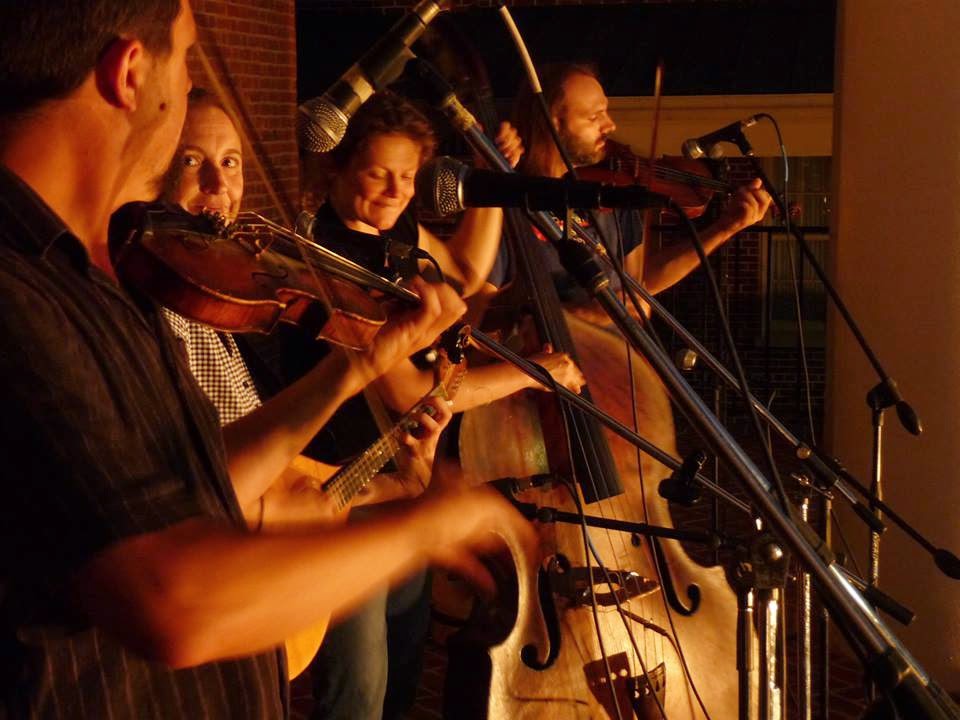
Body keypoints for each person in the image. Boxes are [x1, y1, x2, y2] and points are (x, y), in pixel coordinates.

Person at [0, 3, 536, 718]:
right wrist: (422, 529)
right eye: (186, 61)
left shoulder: (99, 270)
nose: (186, 87)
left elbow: (203, 485)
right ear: (130, 74)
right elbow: (171, 603)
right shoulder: (21, 290)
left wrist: (353, 369)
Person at [512, 62, 772, 308]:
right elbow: (498, 311)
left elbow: (638, 282)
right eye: (594, 116)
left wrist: (726, 227)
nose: (610, 125)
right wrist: (588, 314)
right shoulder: (510, 203)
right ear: (552, 122)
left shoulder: (610, 196)